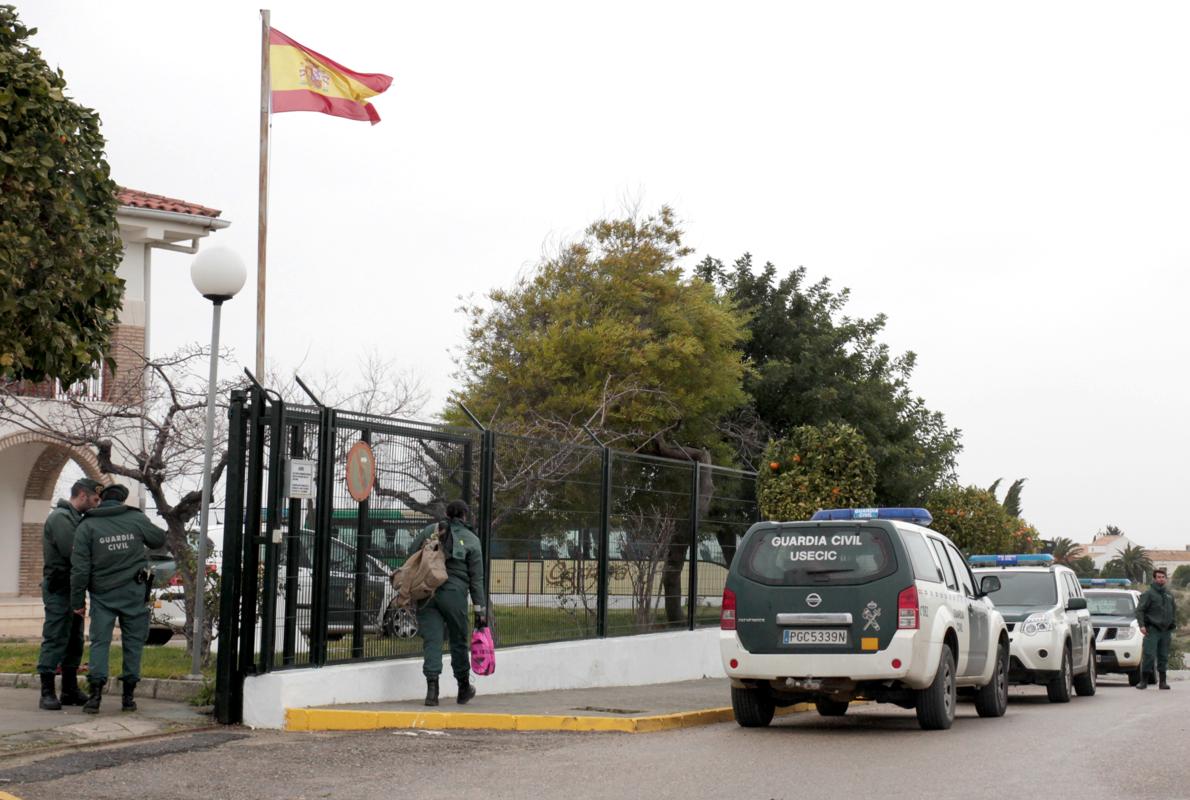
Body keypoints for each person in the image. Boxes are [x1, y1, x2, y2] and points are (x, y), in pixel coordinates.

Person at [70, 483, 166, 713]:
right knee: (133, 644)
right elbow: (158, 539)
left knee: (99, 642)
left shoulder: (88, 525)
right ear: (122, 501)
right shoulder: (136, 519)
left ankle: (95, 697)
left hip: (102, 595)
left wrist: (77, 602)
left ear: (101, 499)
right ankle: (128, 698)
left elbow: (80, 569)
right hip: (134, 592)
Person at [410, 500, 486, 707]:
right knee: (458, 640)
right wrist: (481, 610)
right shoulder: (471, 539)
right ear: (465, 516)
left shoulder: (430, 531)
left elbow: (411, 553)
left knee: (432, 640)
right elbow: (476, 580)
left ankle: (432, 692)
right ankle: (463, 688)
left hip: (427, 592)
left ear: (446, 513)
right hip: (454, 594)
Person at [36, 477, 103, 710]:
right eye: (95, 499)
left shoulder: (77, 519)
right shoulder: (61, 518)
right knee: (55, 636)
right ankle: (46, 692)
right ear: (83, 495)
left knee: (74, 639)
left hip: (74, 588)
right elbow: (74, 553)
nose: (97, 503)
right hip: (60, 587)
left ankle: (69, 689)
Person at [1135, 567, 1178, 690]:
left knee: (1163, 655)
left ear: (1166, 579)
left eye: (1163, 577)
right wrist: (1142, 625)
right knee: (1149, 655)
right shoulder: (1148, 594)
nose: (1161, 579)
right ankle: (1143, 681)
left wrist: (1173, 623)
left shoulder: (1169, 594)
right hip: (1152, 629)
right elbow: (1140, 611)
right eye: (1158, 577)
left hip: (1166, 630)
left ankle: (1162, 682)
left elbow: (1173, 610)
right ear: (1154, 579)